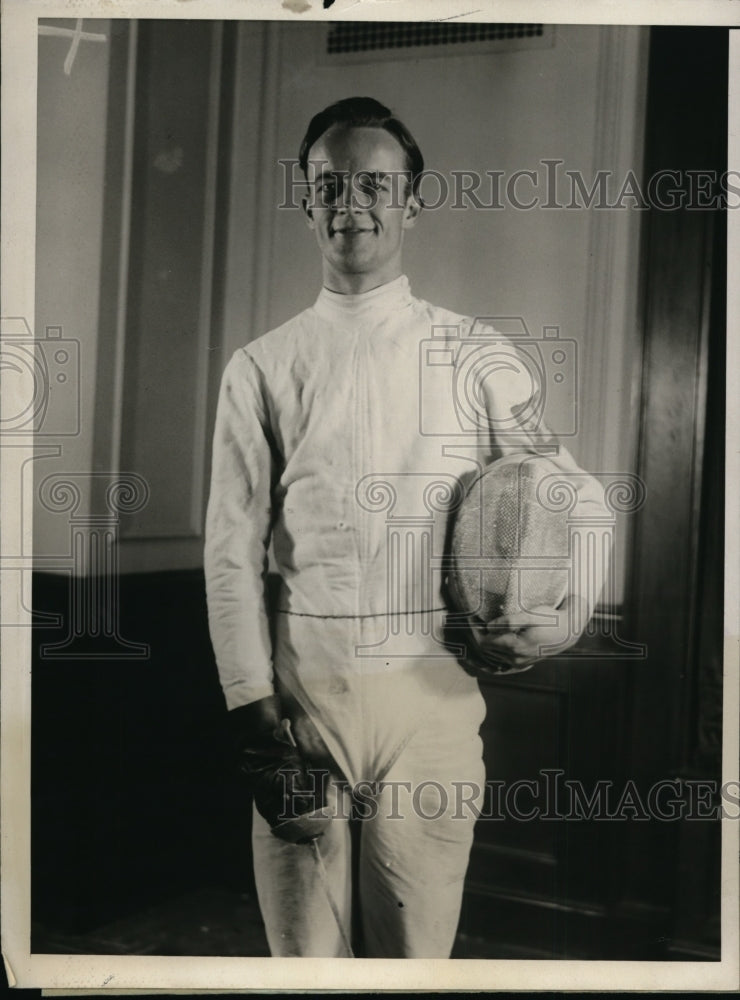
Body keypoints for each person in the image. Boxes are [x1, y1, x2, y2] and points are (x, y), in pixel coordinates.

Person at [204, 96, 607, 958]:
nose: (353, 202)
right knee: (304, 962)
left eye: (377, 184)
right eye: (330, 183)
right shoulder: (262, 367)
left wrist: (540, 622)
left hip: (432, 700)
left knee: (414, 960)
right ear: (305, 198)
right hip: (302, 702)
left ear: (414, 202)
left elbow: (570, 495)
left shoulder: (476, 352)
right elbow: (230, 551)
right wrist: (251, 709)